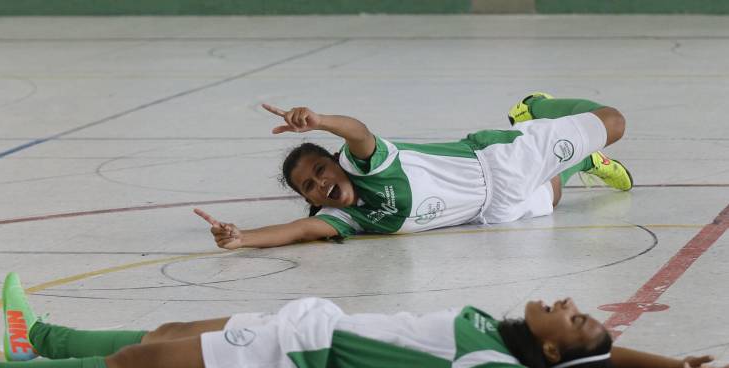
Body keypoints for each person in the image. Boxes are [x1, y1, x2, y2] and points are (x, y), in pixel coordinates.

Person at [0, 273, 726, 368]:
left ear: (553, 347)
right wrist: (671, 359)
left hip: (292, 357)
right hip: (304, 324)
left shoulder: (490, 363)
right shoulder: (507, 331)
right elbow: (592, 358)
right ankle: (39, 339)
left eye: (577, 316)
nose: (571, 303)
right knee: (168, 331)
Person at [194, 93, 634, 250]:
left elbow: (359, 131)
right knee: (552, 195)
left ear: (337, 163)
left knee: (612, 122)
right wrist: (241, 239)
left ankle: (535, 109)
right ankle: (586, 160)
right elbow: (296, 232)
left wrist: (321, 120)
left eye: (321, 170)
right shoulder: (346, 218)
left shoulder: (365, 162)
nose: (321, 183)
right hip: (491, 211)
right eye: (310, 187)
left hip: (497, 161)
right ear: (311, 200)